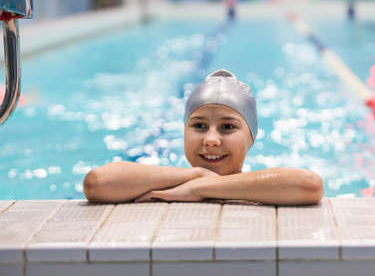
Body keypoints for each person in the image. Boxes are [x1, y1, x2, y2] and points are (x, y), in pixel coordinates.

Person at [83, 69, 323, 205]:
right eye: (198, 125)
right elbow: (97, 182)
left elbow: (309, 185)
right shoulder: (171, 180)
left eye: (228, 128)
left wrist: (202, 188)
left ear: (251, 137)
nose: (211, 140)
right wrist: (196, 175)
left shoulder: (266, 186)